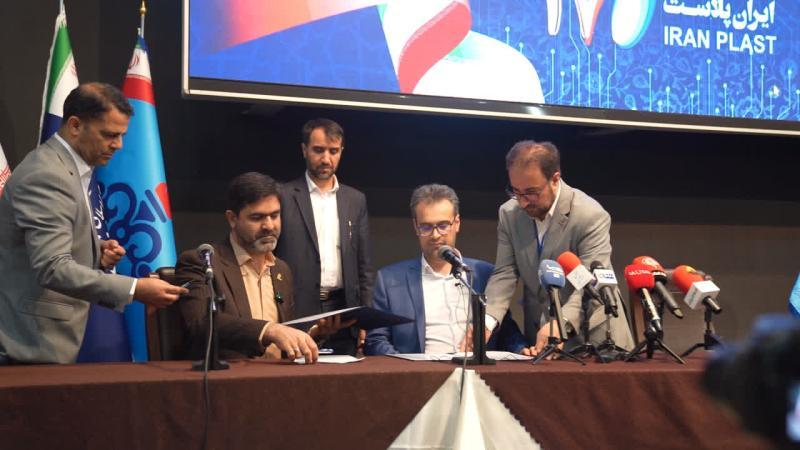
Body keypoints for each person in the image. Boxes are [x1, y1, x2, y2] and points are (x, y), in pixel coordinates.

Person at [0, 82, 185, 364]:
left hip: (42, 341)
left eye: (122, 135)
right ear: (75, 125)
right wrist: (135, 289)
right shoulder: (48, 175)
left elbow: (36, 247)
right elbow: (52, 268)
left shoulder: (69, 168)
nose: (118, 145)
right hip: (26, 346)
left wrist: (95, 252)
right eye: (109, 134)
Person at [176, 172, 351, 363]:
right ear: (232, 219)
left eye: (275, 215)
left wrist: (314, 335)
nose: (269, 226)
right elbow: (201, 322)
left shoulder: (281, 270)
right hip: (228, 376)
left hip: (275, 377)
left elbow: (282, 342)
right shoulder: (202, 262)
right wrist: (268, 330)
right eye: (257, 217)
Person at [484, 140, 634, 356]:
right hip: (540, 338)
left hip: (595, 339)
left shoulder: (590, 215)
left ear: (554, 179)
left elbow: (591, 282)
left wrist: (561, 322)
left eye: (531, 193)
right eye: (516, 192)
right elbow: (504, 272)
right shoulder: (509, 214)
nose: (522, 202)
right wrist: (487, 321)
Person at [365, 184, 527, 355]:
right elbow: (376, 340)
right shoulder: (389, 279)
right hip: (419, 370)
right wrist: (408, 368)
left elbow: (506, 331)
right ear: (415, 227)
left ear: (457, 223)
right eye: (426, 227)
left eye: (443, 225)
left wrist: (521, 349)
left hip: (475, 370)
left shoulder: (484, 274)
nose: (435, 235)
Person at [275, 118, 374, 355]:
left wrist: (366, 317)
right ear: (304, 150)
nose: (326, 159)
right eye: (318, 150)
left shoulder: (355, 200)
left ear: (341, 151)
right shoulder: (282, 195)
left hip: (344, 310)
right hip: (298, 309)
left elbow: (364, 266)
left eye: (333, 151)